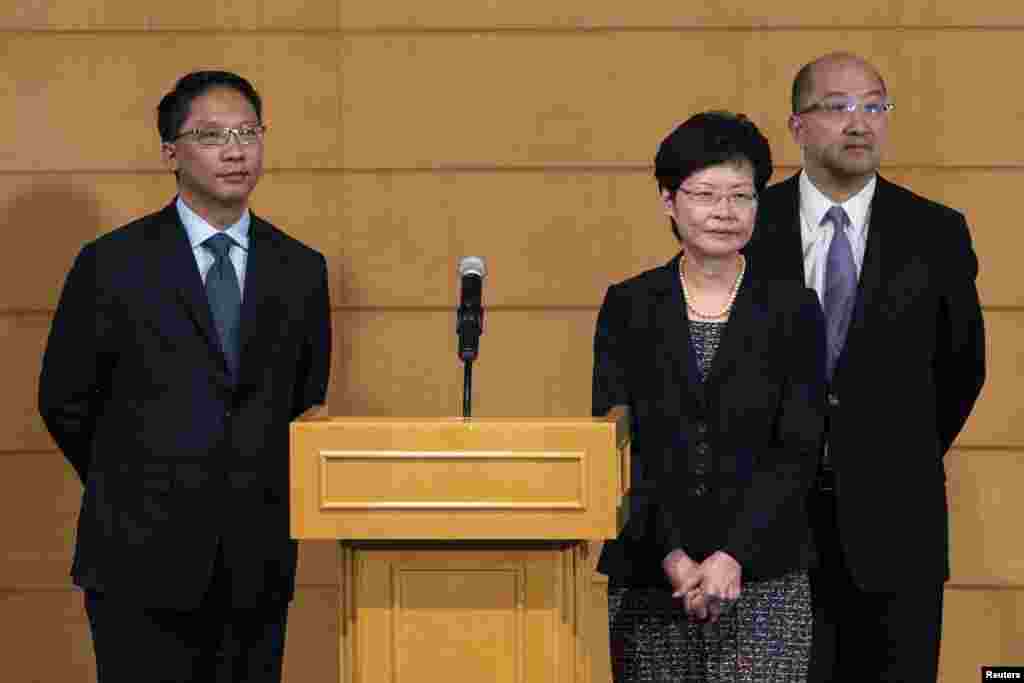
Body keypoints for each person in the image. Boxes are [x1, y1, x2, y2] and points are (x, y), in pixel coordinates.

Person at [38, 70, 332, 682]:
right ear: (171, 152)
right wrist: (137, 479)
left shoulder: (301, 270)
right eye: (212, 134)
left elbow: (305, 397)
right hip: (137, 557)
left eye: (248, 131)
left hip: (257, 562)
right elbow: (65, 399)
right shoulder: (112, 264)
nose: (235, 149)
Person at [745, 52, 986, 682]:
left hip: (896, 527)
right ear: (797, 126)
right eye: (838, 106)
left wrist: (885, 453)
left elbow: (962, 370)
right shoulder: (748, 226)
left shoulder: (935, 233)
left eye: (875, 105)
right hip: (767, 531)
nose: (860, 123)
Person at [594, 111, 826, 682]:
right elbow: (618, 444)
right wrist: (674, 556)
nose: (724, 212)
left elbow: (797, 448)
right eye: (705, 194)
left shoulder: (794, 310)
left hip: (763, 573)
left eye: (741, 196)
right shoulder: (629, 305)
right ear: (669, 201)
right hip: (652, 574)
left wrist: (733, 556)